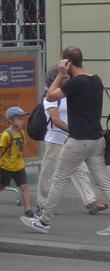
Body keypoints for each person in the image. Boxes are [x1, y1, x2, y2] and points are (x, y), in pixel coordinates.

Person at [25, 46, 110, 233]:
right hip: (97, 139)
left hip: (78, 141)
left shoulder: (75, 83)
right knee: (103, 181)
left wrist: (60, 74)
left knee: (58, 178)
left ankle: (44, 221)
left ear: (68, 62)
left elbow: (50, 95)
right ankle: (45, 219)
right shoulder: (96, 79)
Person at [37, 64, 107, 215]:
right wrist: (75, 131)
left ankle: (91, 202)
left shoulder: (67, 93)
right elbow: (55, 120)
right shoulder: (51, 97)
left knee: (81, 171)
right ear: (57, 79)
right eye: (65, 77)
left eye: (69, 76)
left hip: (73, 140)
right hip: (56, 140)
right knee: (49, 173)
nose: (68, 79)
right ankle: (42, 204)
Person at [0, 106, 38, 221]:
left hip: (19, 166)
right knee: (2, 186)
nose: (21, 121)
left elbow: (22, 148)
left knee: (24, 186)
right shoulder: (6, 135)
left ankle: (28, 211)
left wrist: (23, 160)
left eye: (22, 119)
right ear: (10, 120)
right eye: (18, 119)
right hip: (7, 167)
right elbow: (0, 152)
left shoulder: (22, 134)